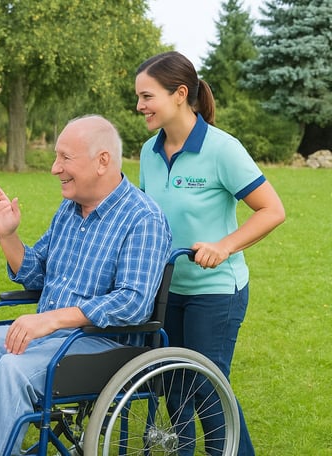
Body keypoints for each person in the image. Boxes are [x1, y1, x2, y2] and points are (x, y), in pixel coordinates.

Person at [0, 115, 172, 455]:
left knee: (13, 368)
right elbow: (36, 272)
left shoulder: (143, 218)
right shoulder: (70, 210)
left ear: (102, 161)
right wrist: (7, 235)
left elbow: (132, 302)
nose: (55, 168)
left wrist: (52, 319)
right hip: (52, 336)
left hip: (105, 346)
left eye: (65, 158)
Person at [135, 51, 285, 456]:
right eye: (139, 97)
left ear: (180, 94)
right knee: (173, 386)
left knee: (208, 389)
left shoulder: (222, 149)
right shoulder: (149, 151)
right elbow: (148, 217)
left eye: (147, 96)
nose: (140, 106)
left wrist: (224, 245)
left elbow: (272, 210)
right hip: (167, 289)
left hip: (216, 291)